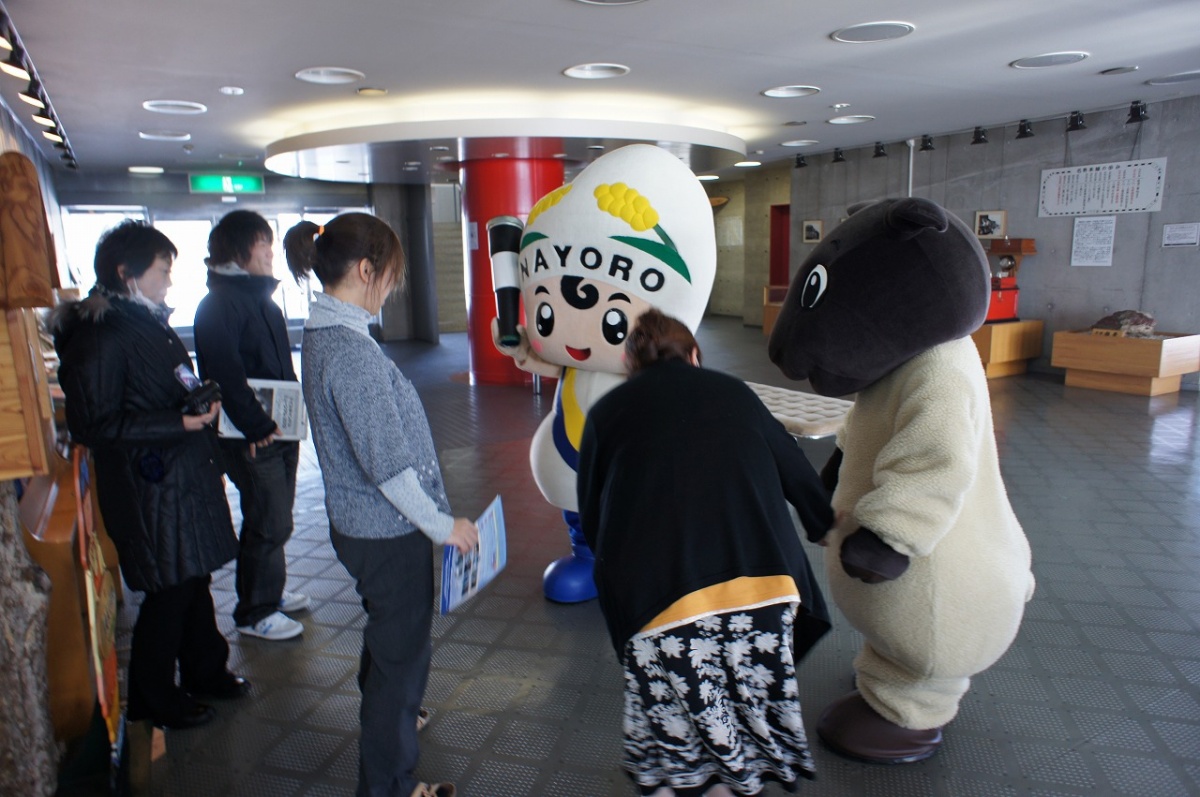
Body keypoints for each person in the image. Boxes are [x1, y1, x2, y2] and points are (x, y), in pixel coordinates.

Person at [577, 309, 833, 797]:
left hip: (661, 600)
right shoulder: (735, 392)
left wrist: (613, 574)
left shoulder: (608, 411)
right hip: (764, 587)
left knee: (677, 705)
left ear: (630, 364)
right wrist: (821, 523)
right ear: (694, 355)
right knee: (748, 694)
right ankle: (739, 776)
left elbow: (592, 511)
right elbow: (794, 466)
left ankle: (691, 779)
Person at [283, 212, 478, 797]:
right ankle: (390, 781)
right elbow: (387, 467)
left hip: (358, 522)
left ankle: (392, 718)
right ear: (366, 270)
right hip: (385, 531)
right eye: (391, 275)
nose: (392, 288)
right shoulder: (351, 352)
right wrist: (443, 526)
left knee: (390, 641)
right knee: (401, 660)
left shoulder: (324, 333)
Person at [50, 220, 247, 730]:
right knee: (169, 592)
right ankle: (154, 697)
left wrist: (196, 402)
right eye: (162, 270)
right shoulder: (100, 335)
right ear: (127, 273)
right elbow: (92, 424)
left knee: (191, 578)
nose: (169, 281)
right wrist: (178, 421)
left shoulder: (142, 321)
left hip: (177, 479)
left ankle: (206, 671)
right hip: (148, 488)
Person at [194, 209, 307, 642]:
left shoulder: (261, 299)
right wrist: (256, 427)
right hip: (253, 435)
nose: (270, 253)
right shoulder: (218, 305)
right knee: (268, 519)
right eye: (264, 245)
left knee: (277, 518)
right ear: (239, 250)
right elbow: (224, 375)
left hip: (278, 430)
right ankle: (255, 611)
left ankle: (269, 593)